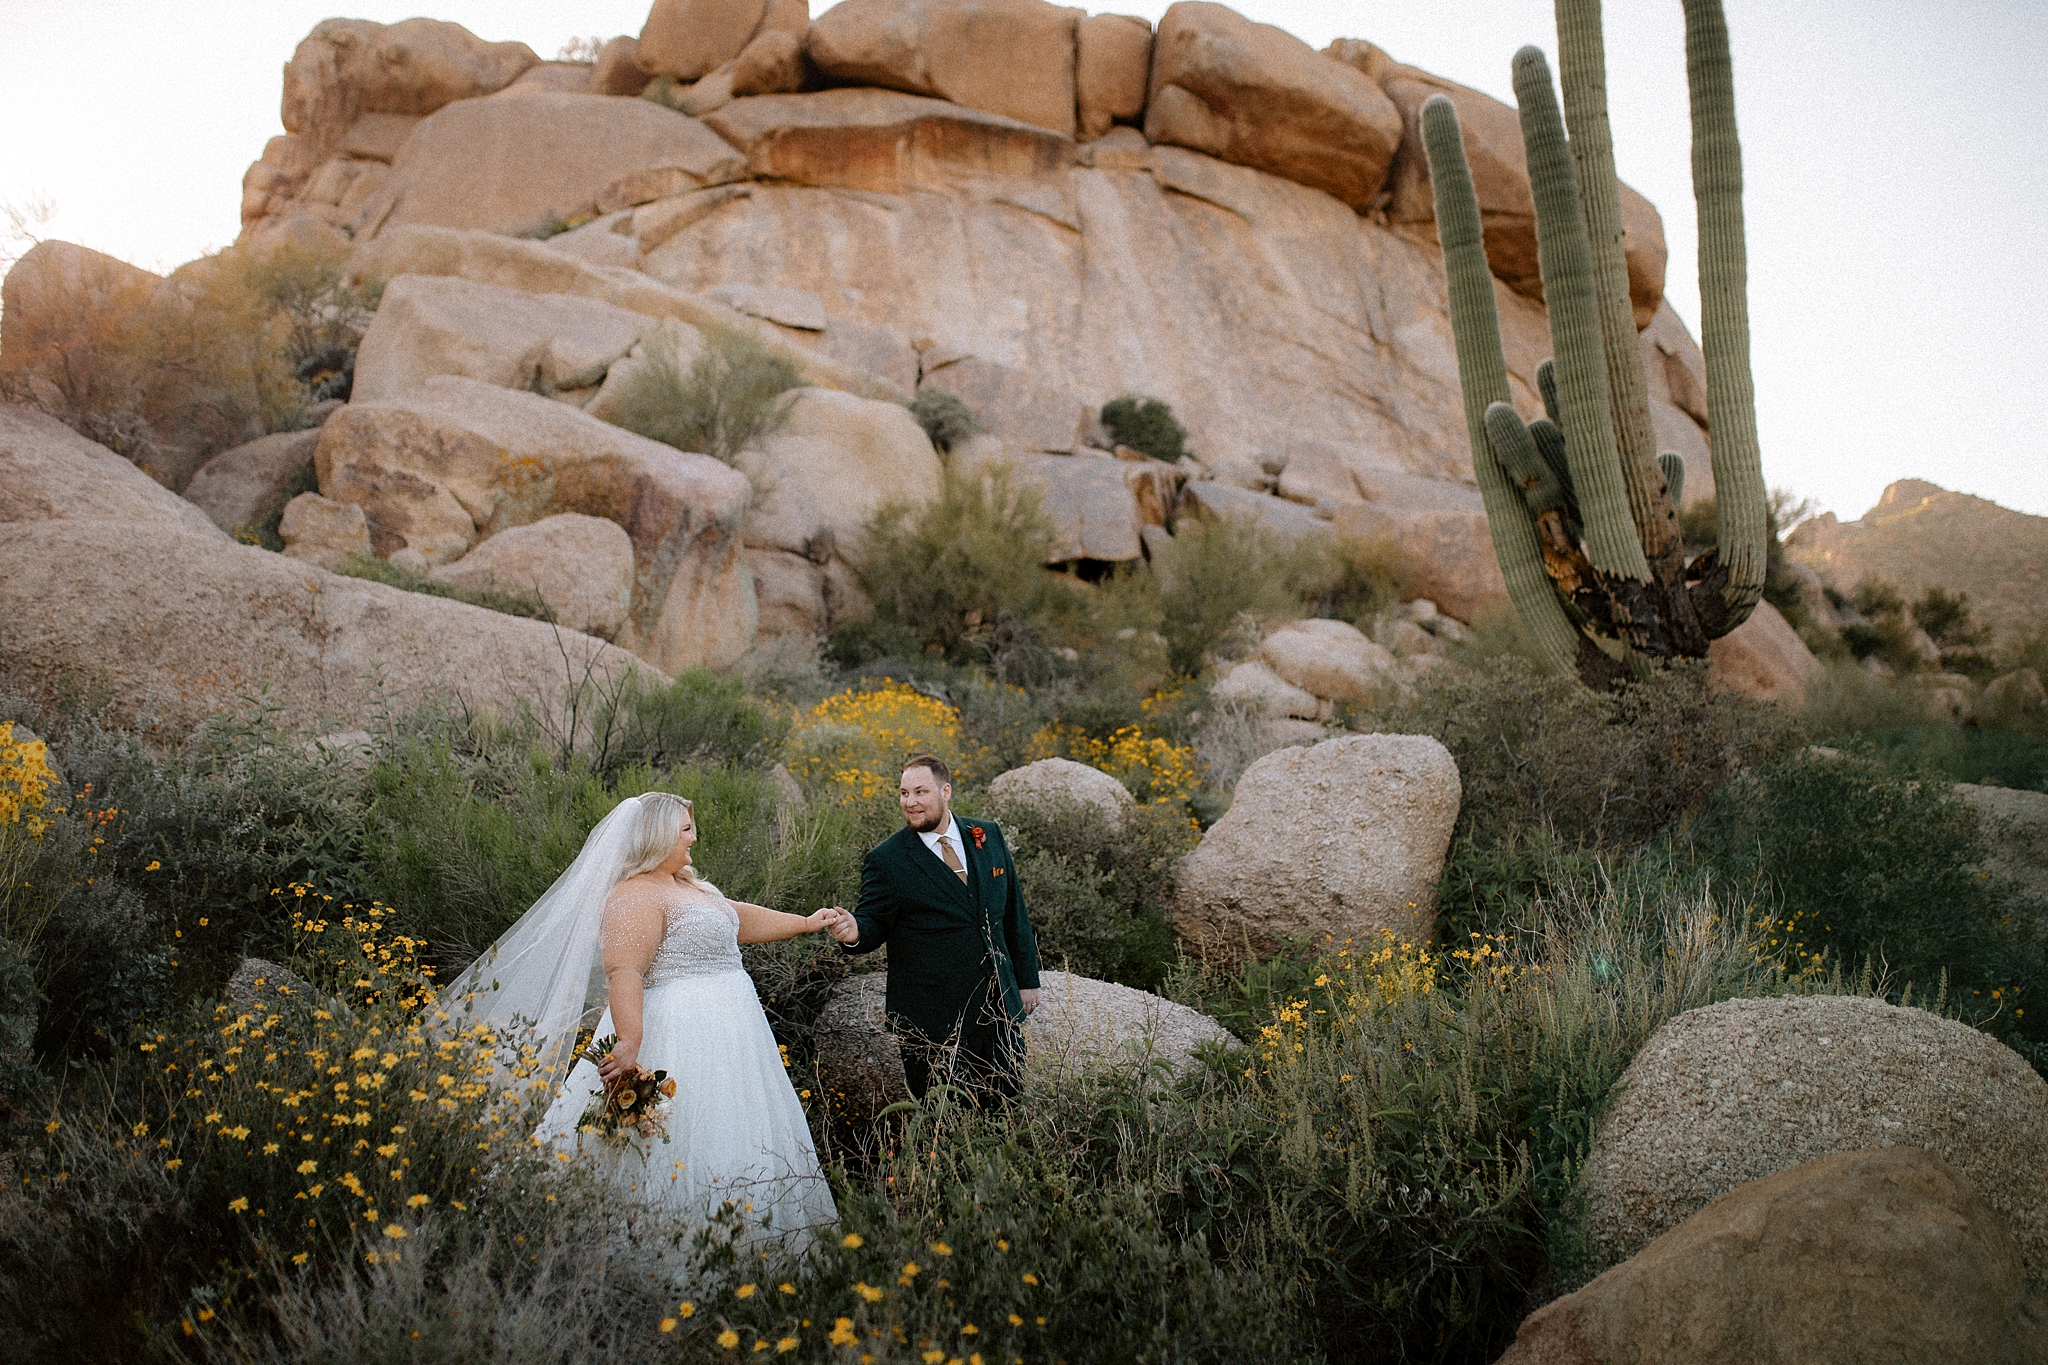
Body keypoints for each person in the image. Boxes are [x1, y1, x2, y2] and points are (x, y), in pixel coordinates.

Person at [450, 792, 849, 1253]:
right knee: (670, 1142)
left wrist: (804, 922)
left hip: (734, 1039)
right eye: (684, 829)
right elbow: (625, 973)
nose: (694, 836)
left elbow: (736, 919)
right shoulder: (634, 895)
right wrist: (630, 1041)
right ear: (657, 836)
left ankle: (749, 1246)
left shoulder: (688, 888)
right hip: (678, 1032)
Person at [828, 755, 1041, 1104]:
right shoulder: (887, 860)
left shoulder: (987, 835)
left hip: (998, 1007)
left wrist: (1026, 980)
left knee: (1005, 1107)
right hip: (932, 1020)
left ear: (945, 791)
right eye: (903, 793)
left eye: (920, 792)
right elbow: (873, 922)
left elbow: (1013, 910)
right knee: (942, 1118)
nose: (910, 802)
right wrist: (853, 931)